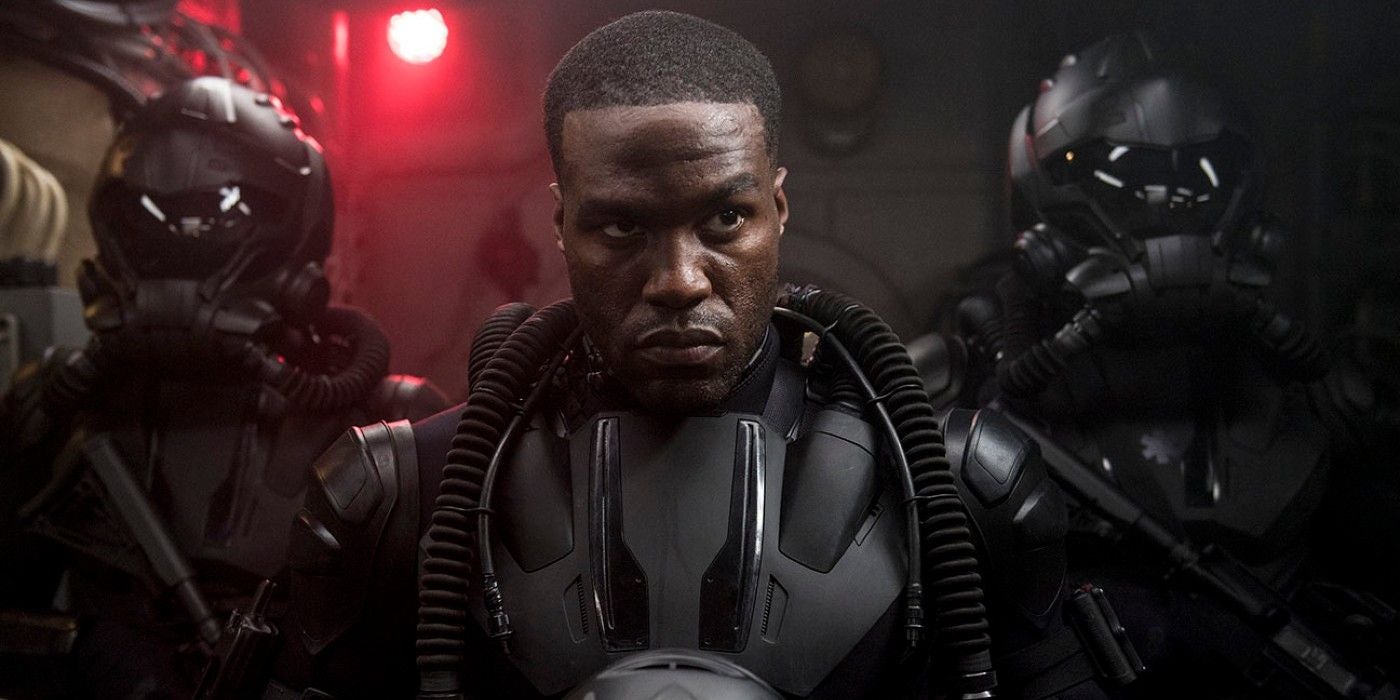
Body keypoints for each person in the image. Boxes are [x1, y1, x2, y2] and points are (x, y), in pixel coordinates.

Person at [263, 12, 1127, 699]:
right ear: (560, 223)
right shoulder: (402, 500)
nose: (678, 281)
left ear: (777, 210)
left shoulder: (957, 488)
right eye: (620, 226)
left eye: (725, 219)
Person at [951, 34, 1398, 698]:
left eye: (1191, 178)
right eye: (1130, 180)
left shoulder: (1308, 390)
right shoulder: (989, 368)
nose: (1161, 210)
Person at [0, 77, 447, 698]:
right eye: (151, 218)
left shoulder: (386, 422)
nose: (181, 244)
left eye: (215, 215)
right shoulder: (60, 405)